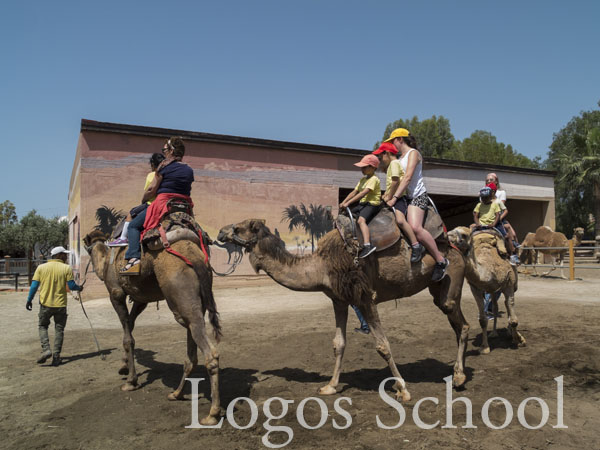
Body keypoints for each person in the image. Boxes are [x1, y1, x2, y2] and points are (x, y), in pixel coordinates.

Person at [121, 137, 194, 275]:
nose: (164, 152)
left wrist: (143, 199)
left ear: (171, 150)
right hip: (184, 206)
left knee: (133, 226)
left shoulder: (164, 167)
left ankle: (134, 260)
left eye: (165, 149)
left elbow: (151, 189)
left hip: (163, 205)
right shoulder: (189, 170)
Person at [384, 128, 449, 281]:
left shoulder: (413, 153)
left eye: (393, 141)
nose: (392, 145)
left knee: (415, 227)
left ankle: (441, 261)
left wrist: (394, 198)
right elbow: (396, 180)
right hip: (405, 197)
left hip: (417, 196)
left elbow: (407, 178)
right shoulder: (399, 159)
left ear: (400, 139)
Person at [26, 246, 83, 366]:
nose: (66, 257)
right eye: (65, 255)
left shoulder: (41, 268)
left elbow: (34, 286)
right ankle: (56, 356)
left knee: (42, 326)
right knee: (59, 330)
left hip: (45, 304)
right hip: (61, 305)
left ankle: (46, 349)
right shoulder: (66, 268)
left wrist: (29, 300)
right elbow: (72, 286)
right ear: (59, 255)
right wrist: (80, 288)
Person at [373, 141, 425, 263]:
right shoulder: (393, 165)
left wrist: (390, 197)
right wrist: (385, 195)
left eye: (380, 157)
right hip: (394, 196)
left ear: (386, 153)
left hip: (400, 198)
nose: (380, 160)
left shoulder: (394, 164)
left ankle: (416, 245)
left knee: (400, 220)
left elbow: (396, 182)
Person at [108, 152, 165, 246]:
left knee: (130, 214)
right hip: (164, 204)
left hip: (151, 204)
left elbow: (150, 191)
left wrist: (143, 200)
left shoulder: (152, 175)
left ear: (152, 164)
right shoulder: (167, 174)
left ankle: (123, 239)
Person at [339, 154, 382, 258]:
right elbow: (354, 192)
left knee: (360, 221)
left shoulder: (374, 179)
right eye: (361, 167)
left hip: (372, 204)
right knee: (347, 216)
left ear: (372, 167)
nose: (361, 169)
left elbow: (363, 193)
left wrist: (348, 203)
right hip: (363, 204)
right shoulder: (363, 179)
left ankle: (368, 245)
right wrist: (343, 201)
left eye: (364, 167)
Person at [486, 173, 520, 249]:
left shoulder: (501, 193)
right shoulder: (483, 193)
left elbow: (502, 209)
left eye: (491, 180)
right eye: (487, 180)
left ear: (496, 181)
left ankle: (514, 251)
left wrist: (498, 220)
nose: (489, 181)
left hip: (499, 218)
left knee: (512, 234)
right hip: (486, 218)